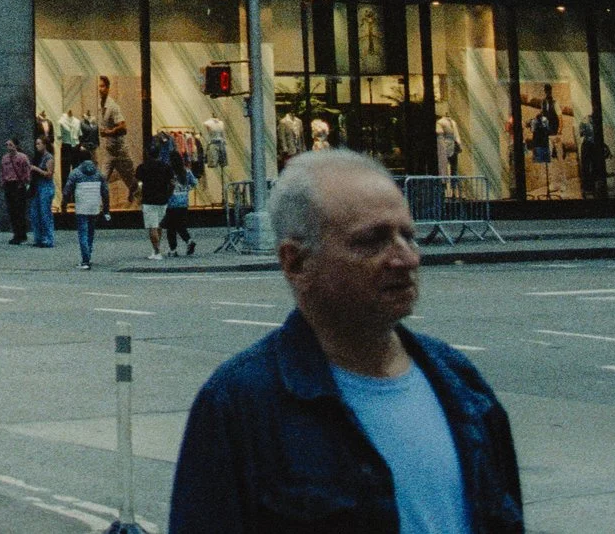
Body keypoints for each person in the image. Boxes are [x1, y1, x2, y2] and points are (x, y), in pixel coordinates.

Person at [168, 149, 524, 534]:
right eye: (372, 241)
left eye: (408, 236)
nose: (405, 259)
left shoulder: (462, 386)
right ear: (296, 263)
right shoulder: (239, 406)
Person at [94, 75, 138, 207]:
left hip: (120, 151)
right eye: (99, 86)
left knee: (131, 181)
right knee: (102, 178)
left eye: (102, 86)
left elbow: (123, 127)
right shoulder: (100, 105)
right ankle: (100, 207)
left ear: (107, 88)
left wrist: (109, 132)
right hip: (109, 152)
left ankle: (138, 200)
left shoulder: (113, 106)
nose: (100, 89)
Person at [135, 138, 178, 260]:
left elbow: (138, 183)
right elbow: (173, 183)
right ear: (159, 153)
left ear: (148, 154)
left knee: (152, 226)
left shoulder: (142, 167)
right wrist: (169, 194)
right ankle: (156, 249)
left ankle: (157, 251)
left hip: (148, 200)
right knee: (159, 225)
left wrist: (136, 195)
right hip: (162, 199)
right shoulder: (166, 167)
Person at [68, 153, 106, 270]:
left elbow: (67, 189)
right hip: (94, 206)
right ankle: (88, 255)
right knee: (90, 232)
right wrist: (106, 209)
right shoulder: (99, 173)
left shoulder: (75, 173)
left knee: (83, 233)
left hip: (82, 206)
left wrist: (64, 204)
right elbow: (105, 192)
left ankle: (85, 260)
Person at [0, 138, 33, 244]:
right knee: (12, 211)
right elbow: (2, 171)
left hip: (18, 185)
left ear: (16, 146)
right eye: (7, 145)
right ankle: (16, 233)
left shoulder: (22, 157)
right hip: (8, 185)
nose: (9, 147)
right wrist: (2, 182)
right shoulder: (5, 158)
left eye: (11, 145)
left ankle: (21, 234)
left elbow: (27, 171)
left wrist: (24, 182)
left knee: (20, 211)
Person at [163, 154, 197, 257]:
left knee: (171, 228)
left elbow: (165, 186)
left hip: (172, 203)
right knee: (180, 224)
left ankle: (174, 249)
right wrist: (186, 189)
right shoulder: (187, 172)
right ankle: (188, 241)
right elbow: (195, 183)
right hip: (183, 202)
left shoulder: (169, 173)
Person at [29, 136, 57, 248]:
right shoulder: (38, 157)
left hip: (46, 187)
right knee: (35, 213)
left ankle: (48, 238)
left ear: (45, 145)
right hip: (37, 187)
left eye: (39, 144)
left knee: (45, 213)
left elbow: (49, 174)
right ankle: (39, 238)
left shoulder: (49, 157)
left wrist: (36, 169)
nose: (37, 146)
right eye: (36, 144)